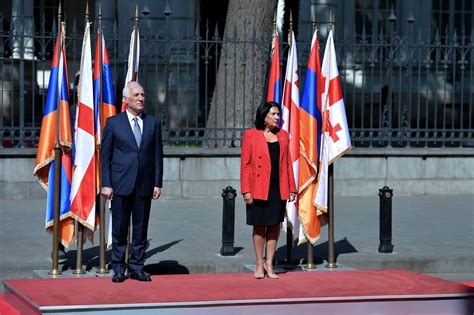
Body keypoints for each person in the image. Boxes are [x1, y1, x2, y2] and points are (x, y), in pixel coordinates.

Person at [101, 81, 163, 283]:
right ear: (125, 99)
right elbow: (106, 157)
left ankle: (137, 266)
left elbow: (157, 155)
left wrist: (157, 183)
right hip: (120, 184)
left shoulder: (153, 123)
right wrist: (106, 183)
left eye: (143, 95)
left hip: (144, 184)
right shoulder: (113, 123)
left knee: (140, 228)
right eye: (136, 95)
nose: (141, 98)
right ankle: (118, 267)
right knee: (119, 228)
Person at [240, 101, 296, 279]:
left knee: (274, 225)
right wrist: (246, 190)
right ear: (264, 117)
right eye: (273, 114)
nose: (277, 118)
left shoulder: (283, 135)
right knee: (259, 226)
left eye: (278, 114)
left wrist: (292, 188)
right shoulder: (250, 135)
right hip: (257, 188)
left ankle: (269, 263)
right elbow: (245, 165)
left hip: (277, 189)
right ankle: (258, 262)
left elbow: (288, 163)